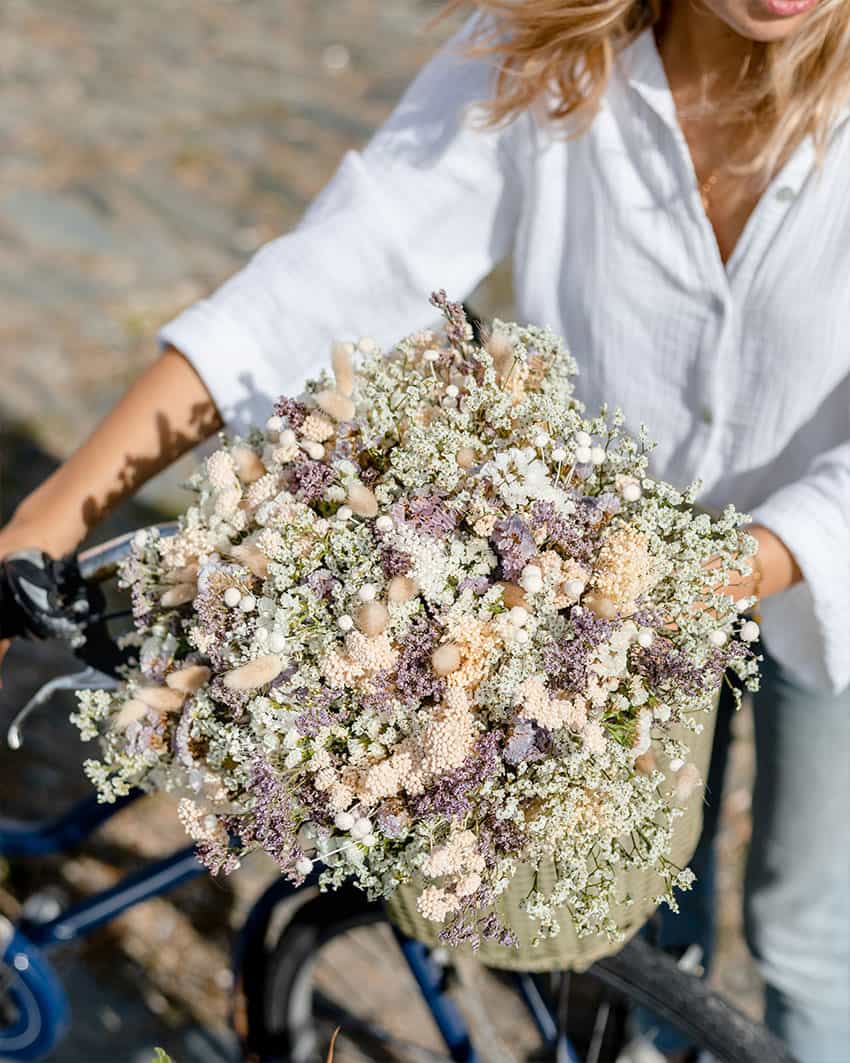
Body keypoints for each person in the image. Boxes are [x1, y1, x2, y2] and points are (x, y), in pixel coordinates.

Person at [1, 0, 848, 1059]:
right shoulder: (550, 53)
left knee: (809, 930)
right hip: (583, 584)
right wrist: (51, 510)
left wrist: (727, 564)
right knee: (632, 907)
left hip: (821, 574)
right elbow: (339, 272)